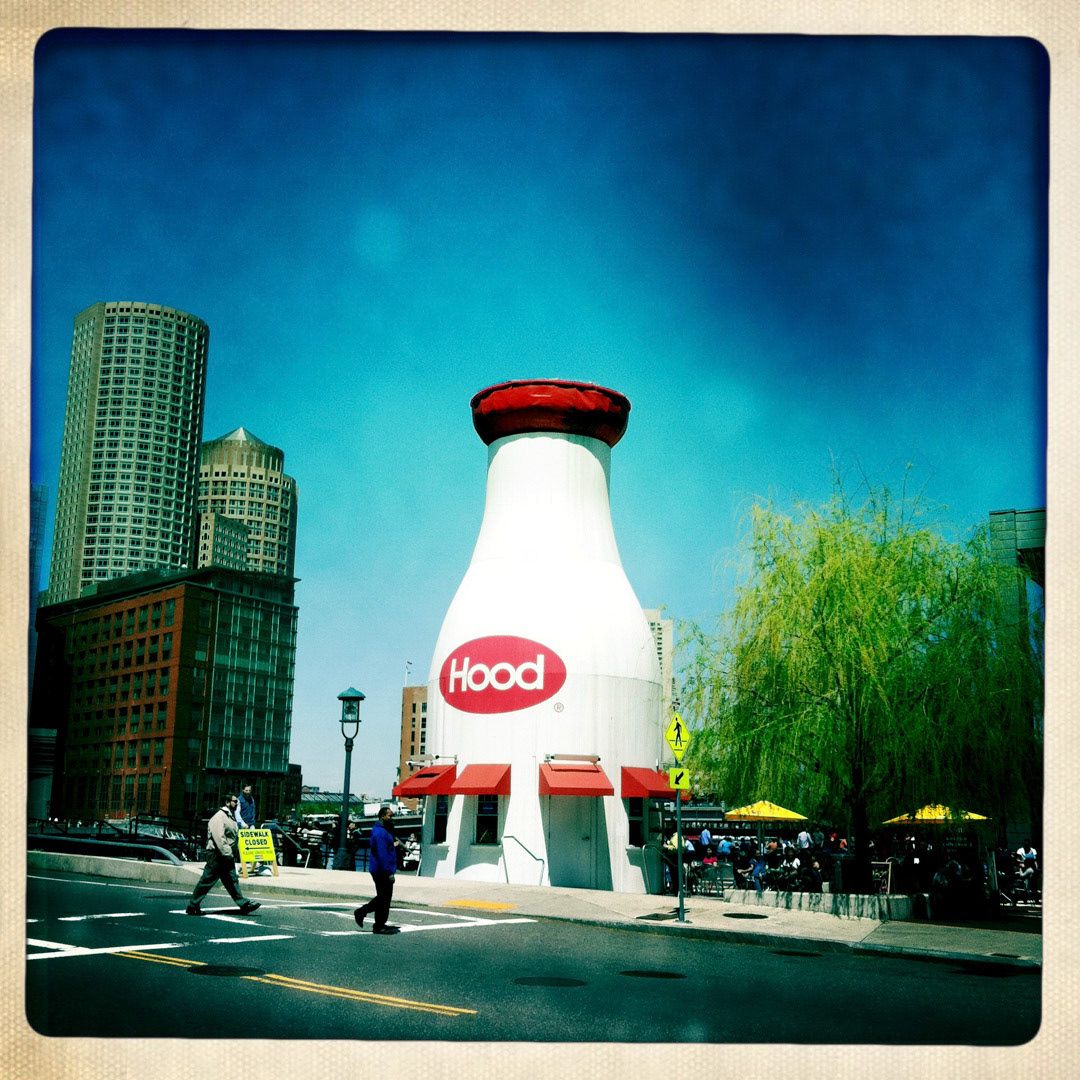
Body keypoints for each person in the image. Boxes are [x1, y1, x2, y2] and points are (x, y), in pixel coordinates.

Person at [185, 794, 261, 916]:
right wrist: (227, 853)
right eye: (235, 802)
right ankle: (193, 906)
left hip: (226, 855)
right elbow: (219, 838)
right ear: (226, 802)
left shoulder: (230, 817)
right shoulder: (218, 817)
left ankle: (244, 904)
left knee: (232, 880)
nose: (237, 804)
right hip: (217, 855)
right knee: (207, 880)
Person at [353, 806, 400, 934]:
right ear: (383, 816)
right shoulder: (380, 833)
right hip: (381, 870)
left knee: (384, 897)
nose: (392, 818)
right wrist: (388, 872)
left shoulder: (384, 831)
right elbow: (382, 855)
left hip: (381, 869)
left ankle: (379, 924)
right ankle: (362, 913)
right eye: (390, 816)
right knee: (383, 898)